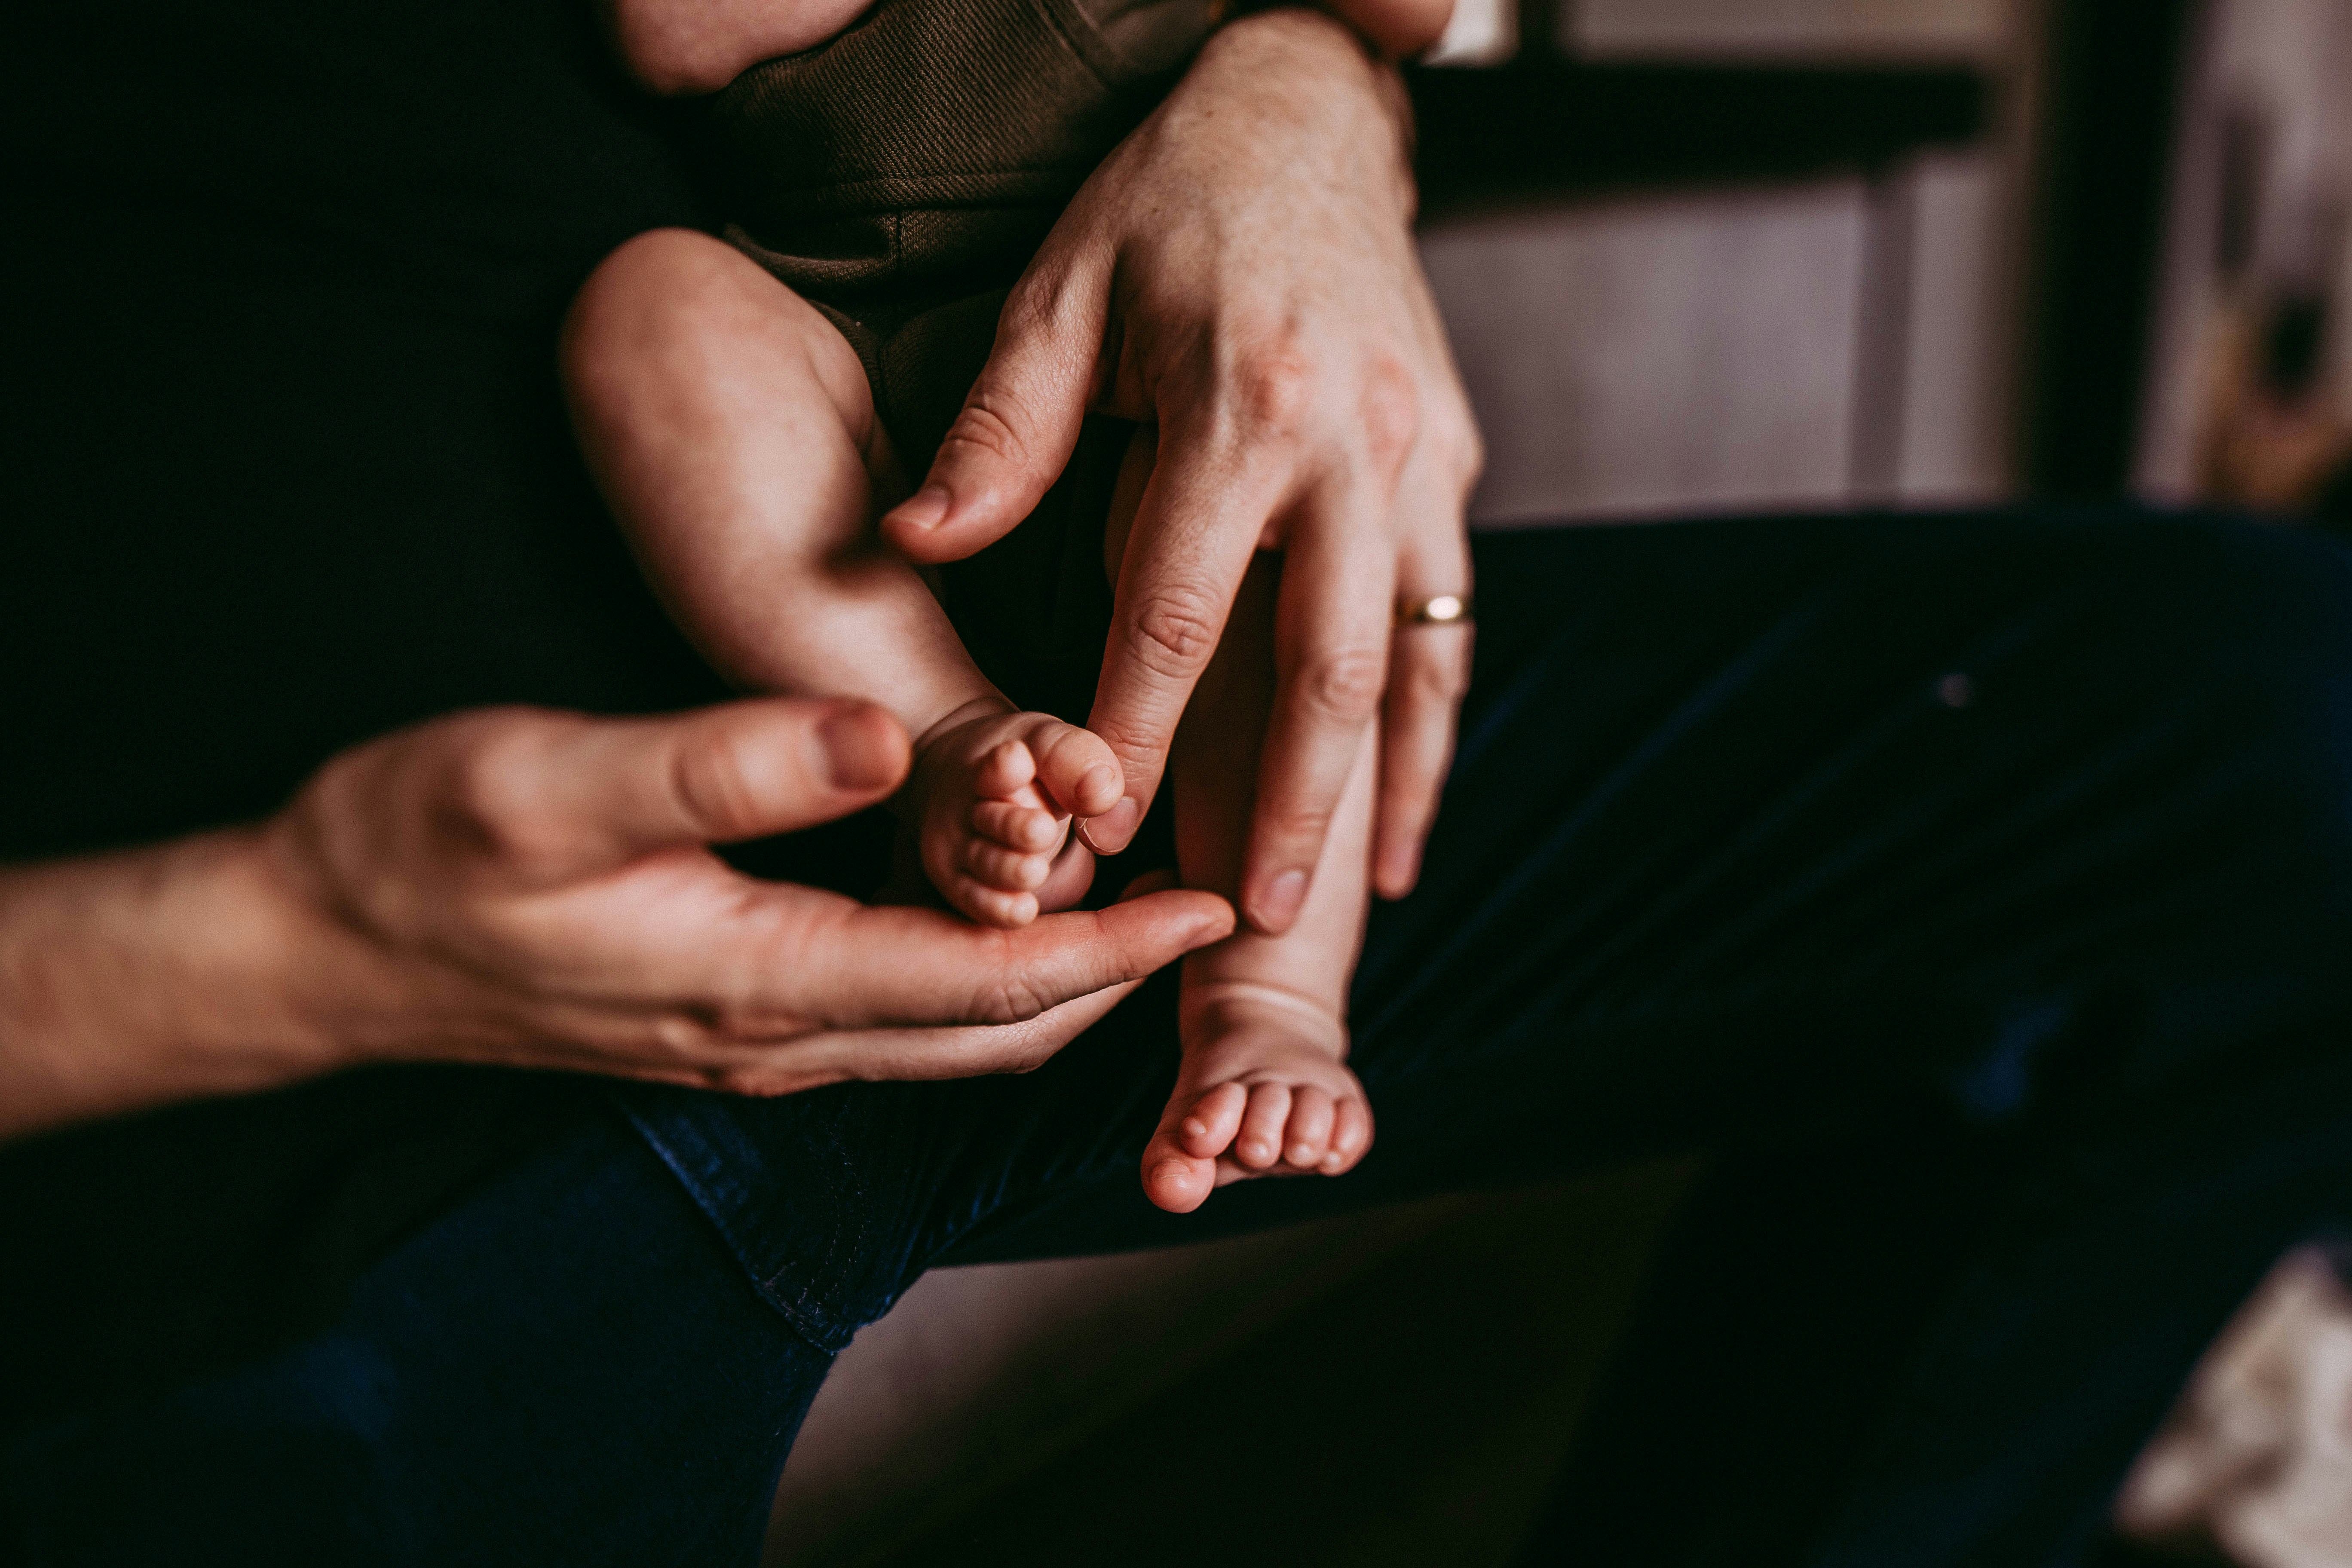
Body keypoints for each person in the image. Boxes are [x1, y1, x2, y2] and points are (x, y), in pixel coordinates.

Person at [5, 3, 2352, 1566]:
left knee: (2286, 726)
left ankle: (1272, 997)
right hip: (299, 1142)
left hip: (1042, 659)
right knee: (676, 327)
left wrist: (1300, 118)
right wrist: (267, 950)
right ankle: (953, 741)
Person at [560, 0, 1452, 1214]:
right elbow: (671, 30)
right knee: (652, 307)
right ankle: (948, 735)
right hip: (831, 330)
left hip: (1161, 367)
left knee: (1268, 513)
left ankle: (1268, 993)